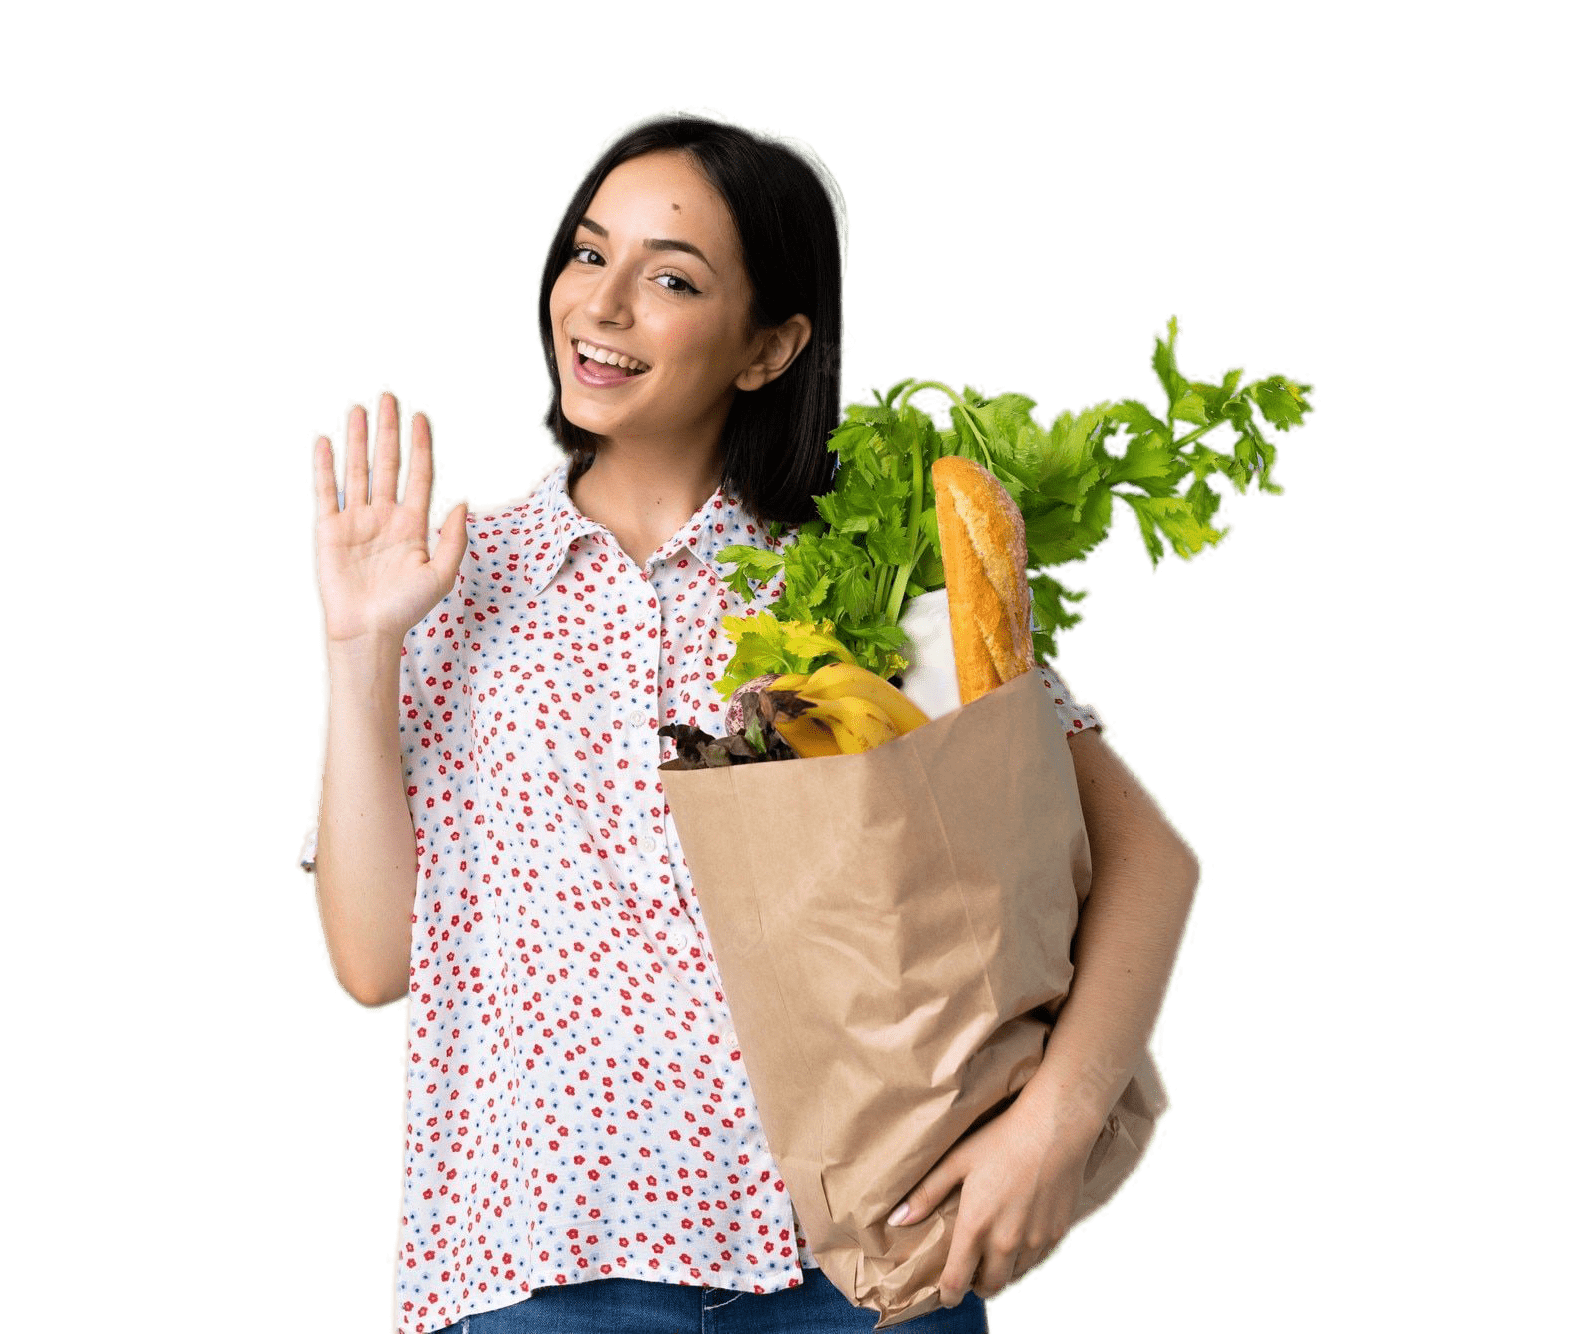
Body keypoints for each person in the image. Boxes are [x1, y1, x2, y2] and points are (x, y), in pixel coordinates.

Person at [298, 109, 1199, 1334]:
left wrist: (1054, 1123)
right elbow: (372, 962)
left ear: (768, 346)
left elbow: (1149, 854)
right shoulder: (449, 575)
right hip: (532, 1269)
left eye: (670, 277)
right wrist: (358, 651)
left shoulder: (861, 574)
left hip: (862, 1266)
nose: (602, 305)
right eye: (584, 253)